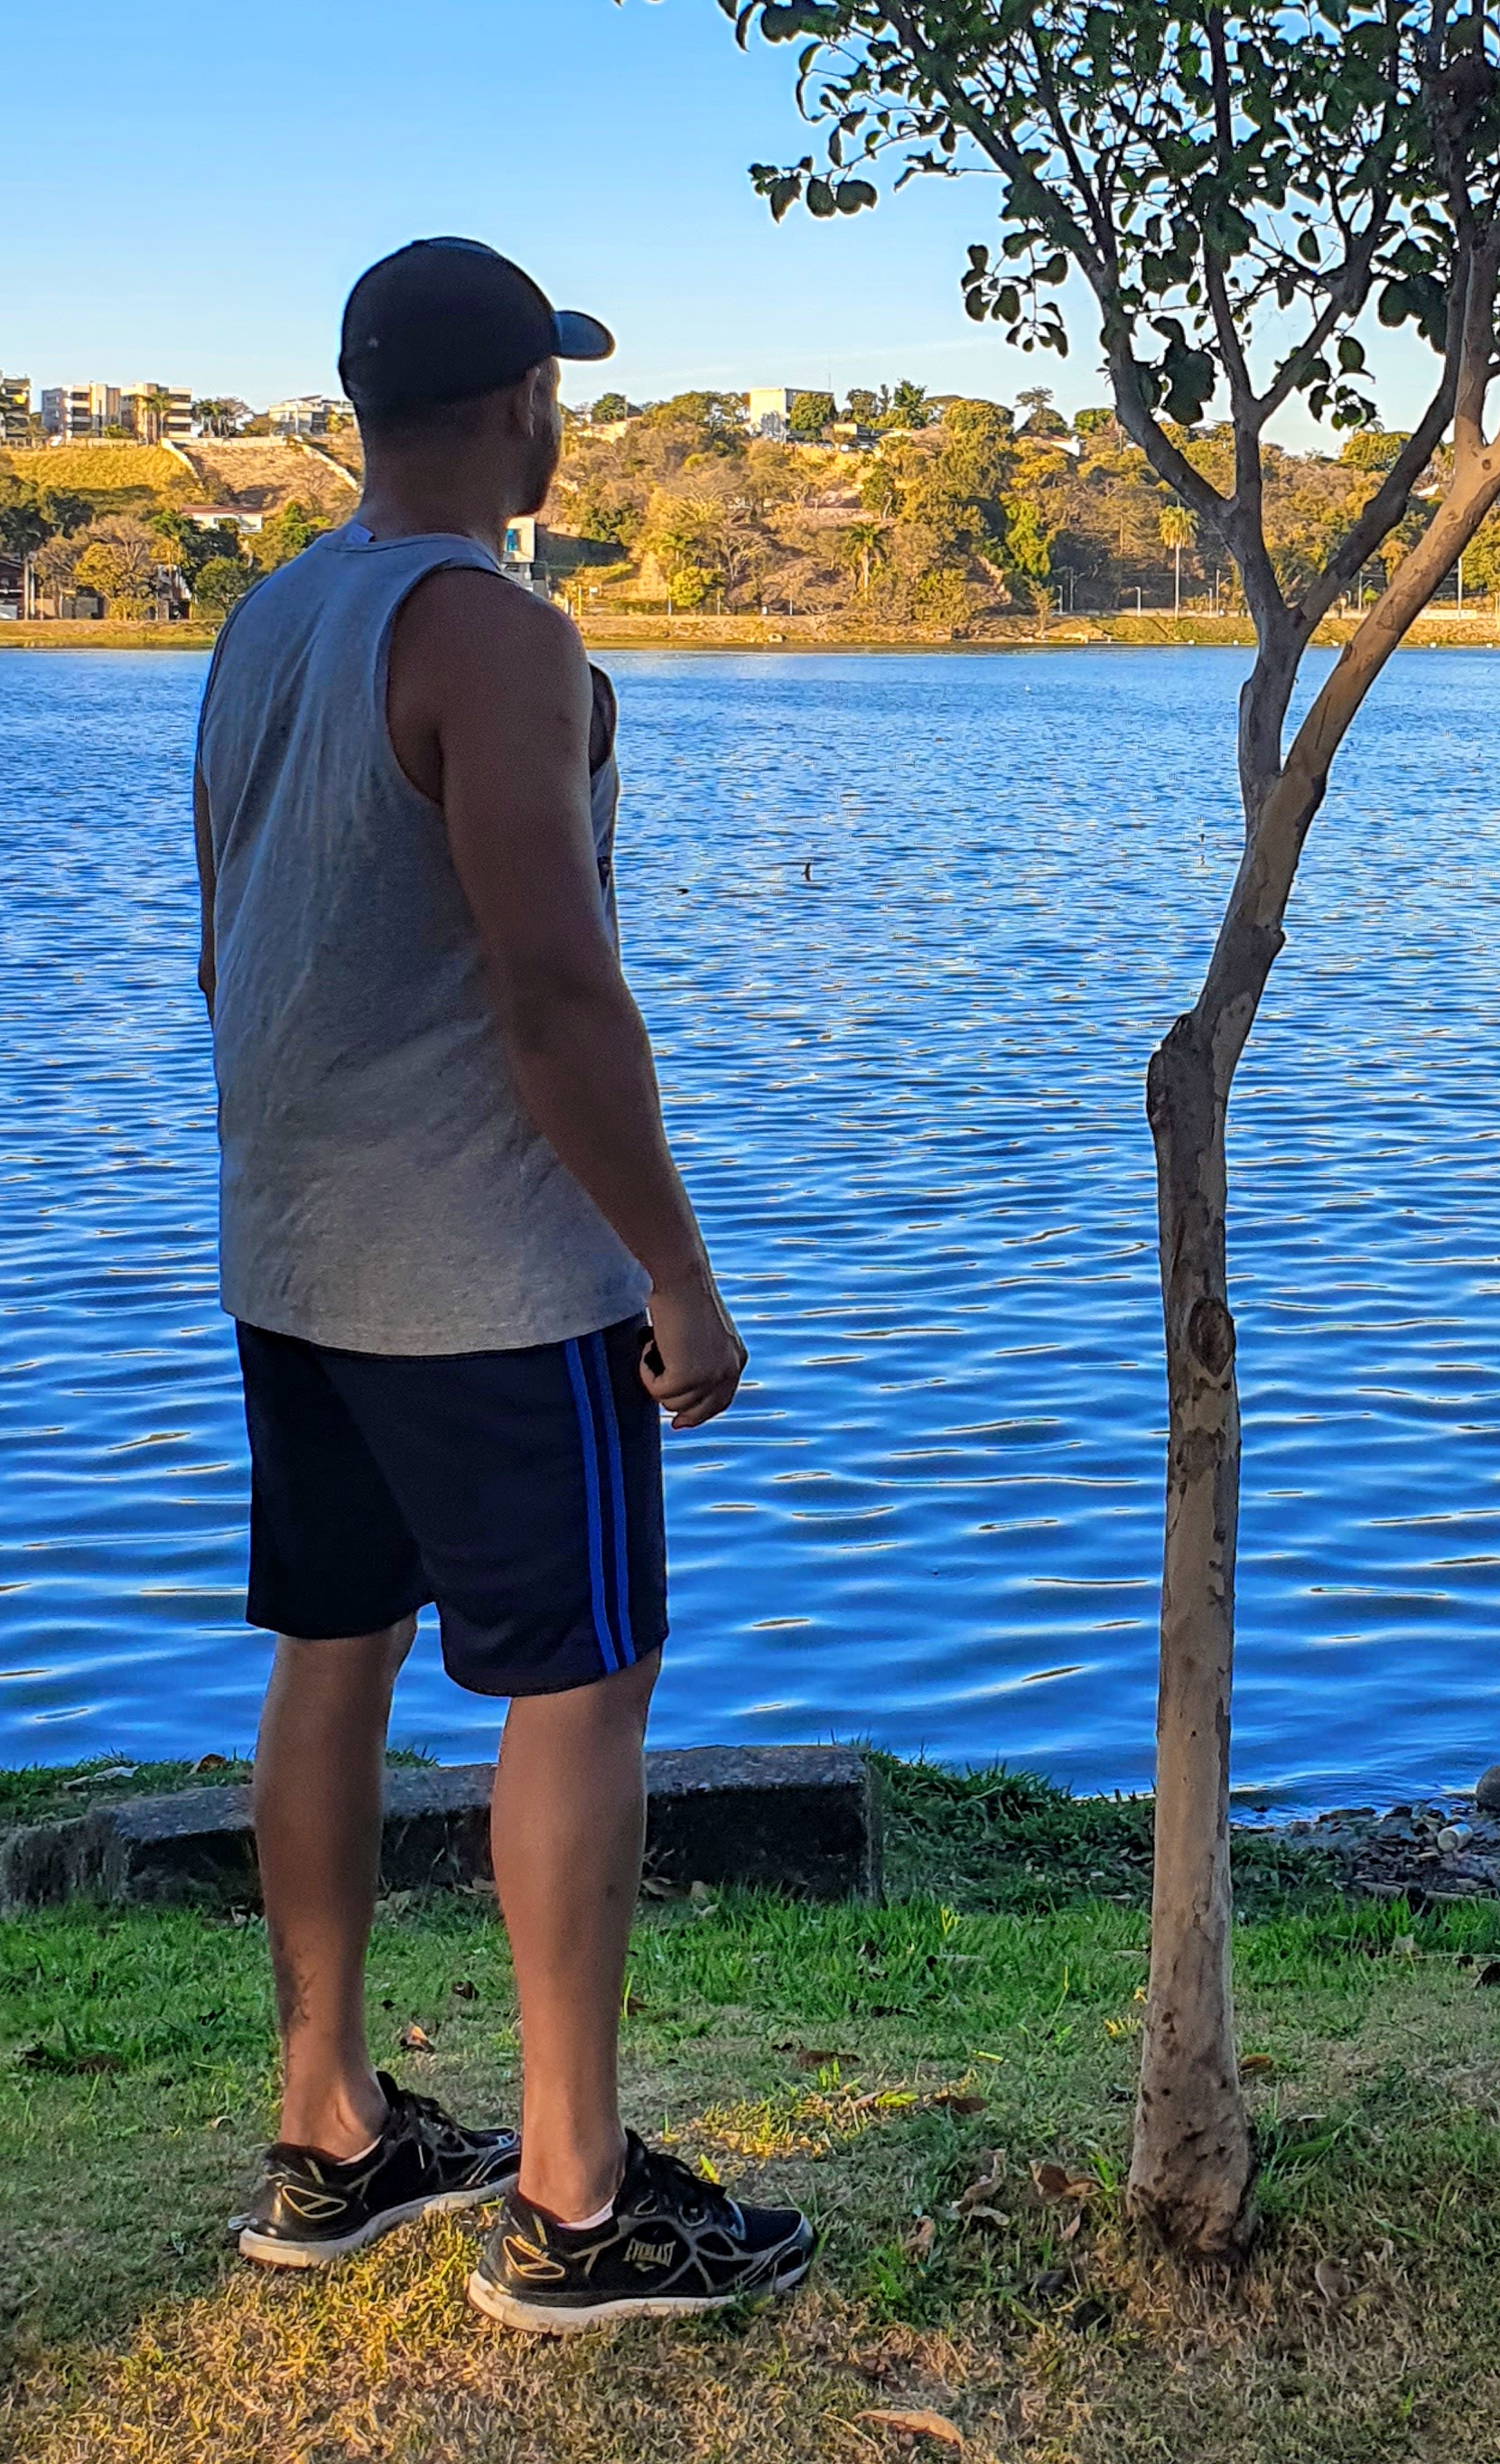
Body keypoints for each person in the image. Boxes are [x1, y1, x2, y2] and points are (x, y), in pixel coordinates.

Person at [194, 236, 815, 2333]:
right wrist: (679, 1272)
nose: (566, 417)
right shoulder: (497, 634)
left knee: (335, 1647)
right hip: (484, 1275)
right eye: (558, 386)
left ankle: (333, 2132)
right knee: (581, 1679)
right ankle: (570, 2203)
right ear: (520, 408)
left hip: (291, 1250)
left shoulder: (268, 619)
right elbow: (559, 993)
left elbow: (230, 953)